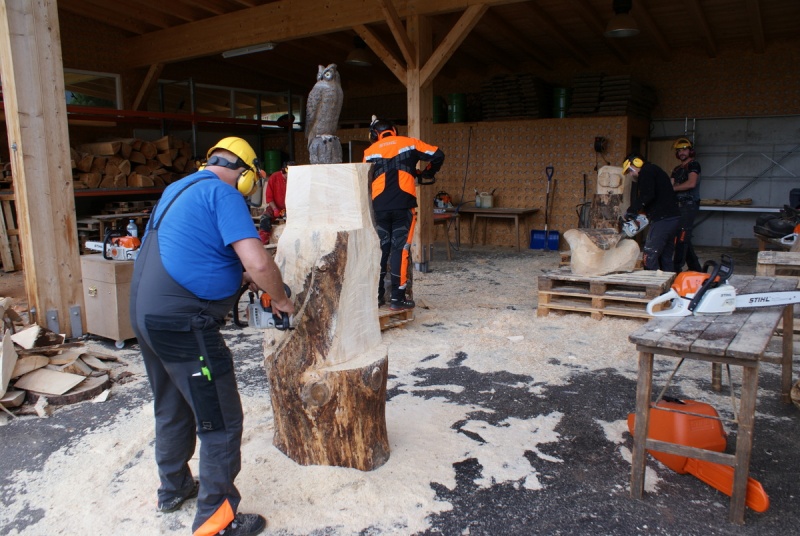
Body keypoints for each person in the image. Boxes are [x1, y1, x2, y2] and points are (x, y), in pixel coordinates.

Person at [130, 136, 295, 536]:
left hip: (147, 315)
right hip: (185, 324)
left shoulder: (179, 188)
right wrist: (280, 298)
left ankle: (173, 489)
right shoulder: (225, 194)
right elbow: (259, 261)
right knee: (221, 419)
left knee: (173, 405)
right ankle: (215, 522)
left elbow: (194, 252)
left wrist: (241, 277)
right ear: (245, 174)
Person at [363, 117, 445, 311]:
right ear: (393, 130)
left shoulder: (369, 152)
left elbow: (367, 177)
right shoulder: (409, 143)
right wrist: (426, 173)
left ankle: (376, 297)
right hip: (403, 205)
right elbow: (438, 155)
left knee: (380, 250)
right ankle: (397, 298)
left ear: (375, 135)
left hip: (379, 207)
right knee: (400, 249)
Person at [622, 153, 681, 271]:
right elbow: (654, 196)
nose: (631, 174)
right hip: (672, 218)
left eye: (630, 171)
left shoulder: (646, 172)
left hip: (663, 219)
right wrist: (643, 212)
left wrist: (632, 209)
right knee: (665, 257)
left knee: (649, 255)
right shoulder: (654, 170)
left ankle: (651, 280)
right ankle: (669, 280)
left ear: (637, 163)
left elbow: (647, 195)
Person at [670, 138, 703, 272]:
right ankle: (696, 268)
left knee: (682, 236)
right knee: (683, 236)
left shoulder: (694, 165)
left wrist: (673, 188)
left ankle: (676, 268)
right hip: (677, 204)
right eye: (679, 151)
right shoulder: (677, 169)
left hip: (689, 204)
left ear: (690, 151)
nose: (681, 153)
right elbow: (670, 184)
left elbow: (691, 183)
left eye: (684, 149)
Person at [258, 161, 295, 245]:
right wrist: (275, 209)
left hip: (291, 208)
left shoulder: (296, 179)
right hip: (275, 207)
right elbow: (269, 197)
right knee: (265, 218)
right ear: (284, 170)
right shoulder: (274, 177)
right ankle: (263, 242)